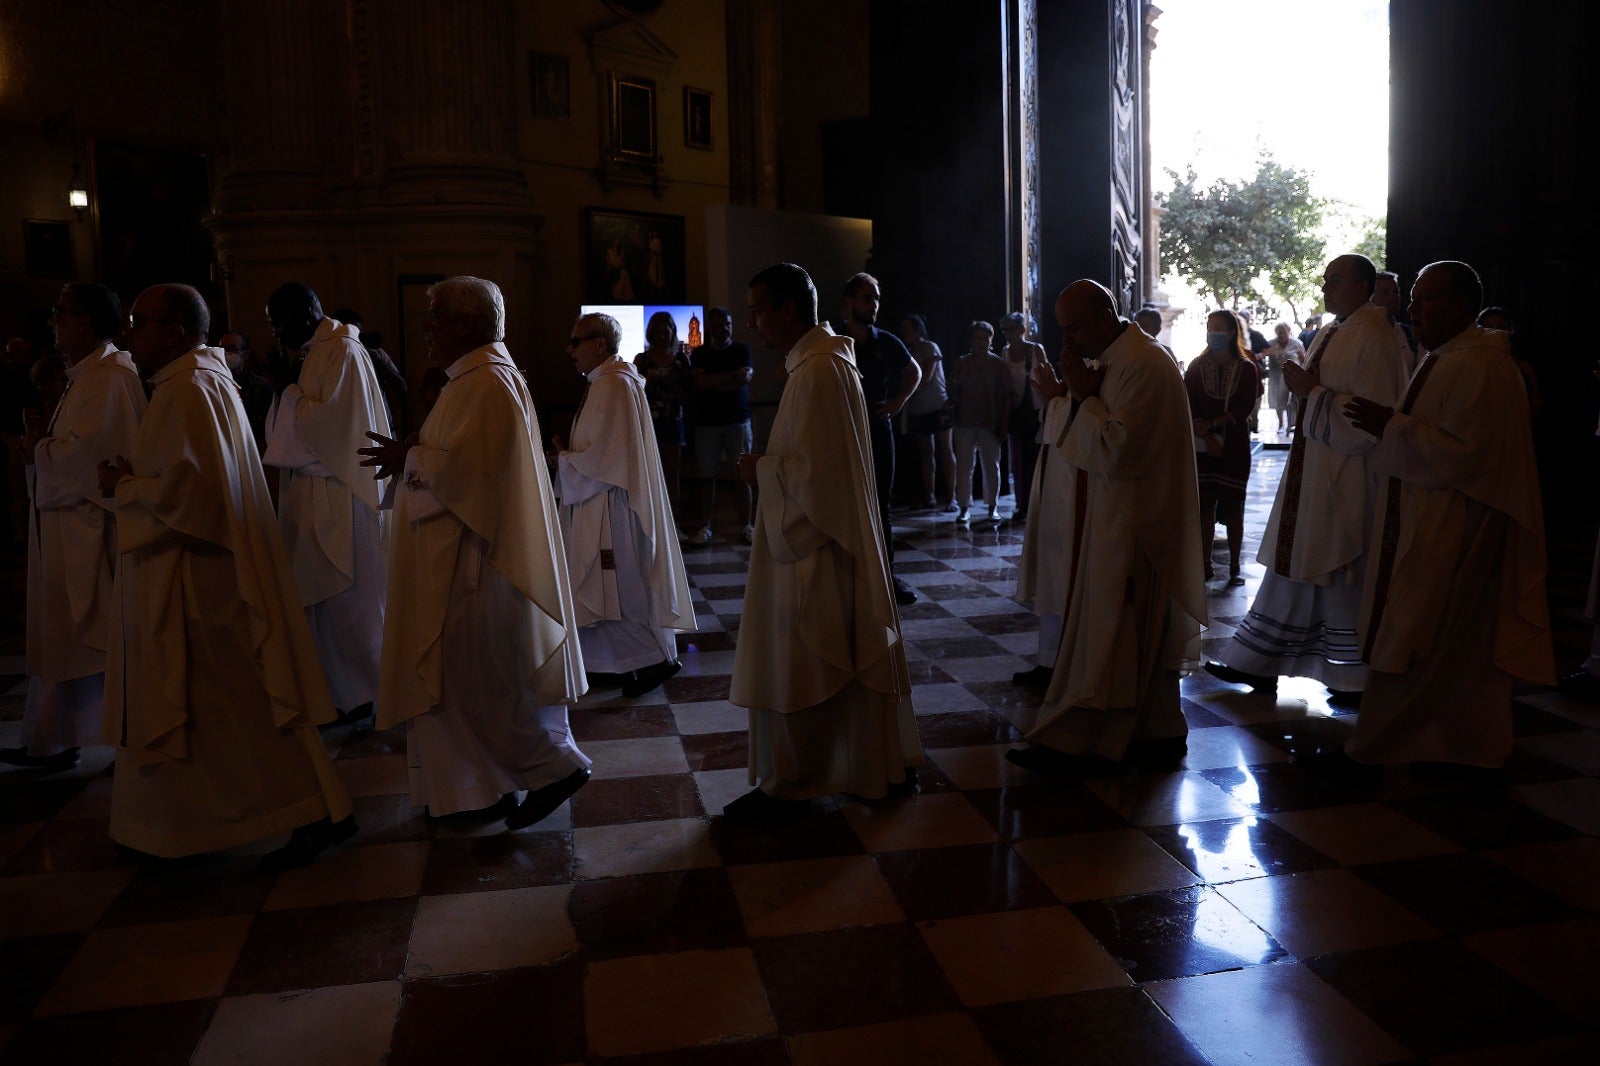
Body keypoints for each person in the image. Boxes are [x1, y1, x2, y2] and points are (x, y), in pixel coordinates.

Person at [98, 284, 354, 868]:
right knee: (230, 709)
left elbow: (191, 496)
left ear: (173, 332)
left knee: (232, 705)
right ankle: (176, 825)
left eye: (139, 321)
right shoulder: (195, 380)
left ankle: (313, 810)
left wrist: (124, 486)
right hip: (196, 570)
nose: (129, 332)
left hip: (196, 576)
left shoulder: (188, 389)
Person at [361, 276, 591, 829]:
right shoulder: (471, 379)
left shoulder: (487, 381)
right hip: (456, 553)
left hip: (474, 559)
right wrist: (415, 455)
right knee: (464, 680)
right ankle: (480, 788)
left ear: (466, 324)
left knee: (474, 681)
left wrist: (411, 456)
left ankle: (553, 768)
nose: (425, 328)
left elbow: (475, 472)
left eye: (434, 316)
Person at [725, 262, 921, 817]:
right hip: (826, 541)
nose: (753, 323)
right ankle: (856, 766)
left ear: (789, 309)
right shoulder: (823, 363)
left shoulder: (816, 372)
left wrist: (759, 470)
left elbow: (815, 479)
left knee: (809, 659)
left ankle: (797, 781)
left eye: (758, 310)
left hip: (815, 550)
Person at [1339, 261, 1553, 768]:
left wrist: (1390, 425)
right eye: (1413, 298)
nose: (1412, 309)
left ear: (1462, 304)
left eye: (1425, 299)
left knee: (1420, 634)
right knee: (1449, 645)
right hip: (1436, 515)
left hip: (1456, 525)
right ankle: (1461, 749)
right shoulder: (1453, 356)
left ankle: (1377, 751)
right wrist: (1392, 426)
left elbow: (1467, 453)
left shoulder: (1478, 363)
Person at [1008, 280, 1205, 773]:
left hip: (1135, 527)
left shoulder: (1145, 363)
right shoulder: (1116, 357)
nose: (1067, 340)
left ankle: (1097, 739)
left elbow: (1120, 450)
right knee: (1117, 633)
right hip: (1113, 519)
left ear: (1102, 315)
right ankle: (1151, 730)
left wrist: (1081, 398)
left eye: (1074, 328)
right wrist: (1078, 398)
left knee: (1119, 630)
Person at [1204, 254, 1409, 700]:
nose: (1325, 288)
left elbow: (1369, 420)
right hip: (1318, 467)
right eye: (1326, 279)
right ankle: (1258, 661)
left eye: (1336, 281)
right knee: (1294, 566)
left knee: (1337, 568)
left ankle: (1353, 676)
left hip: (1348, 476)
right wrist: (1311, 393)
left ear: (1364, 287)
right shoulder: (1339, 329)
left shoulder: (1372, 335)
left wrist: (1312, 394)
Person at [0, 285, 146, 773]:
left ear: (85, 320)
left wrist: (39, 448)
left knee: (82, 634)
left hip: (88, 528)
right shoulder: (89, 375)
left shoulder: (110, 377)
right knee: (62, 636)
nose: (53, 323)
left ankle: (66, 738)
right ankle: (50, 736)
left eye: (60, 314)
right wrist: (43, 446)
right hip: (67, 525)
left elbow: (93, 455)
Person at [263, 284, 392, 726]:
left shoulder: (342, 352)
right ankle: (342, 696)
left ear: (303, 315)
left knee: (351, 607)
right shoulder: (317, 351)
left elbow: (337, 429)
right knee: (324, 608)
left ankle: (370, 697)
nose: (276, 333)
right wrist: (289, 391)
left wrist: (289, 390)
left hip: (342, 497)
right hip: (315, 495)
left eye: (277, 323)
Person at [557, 312, 696, 698]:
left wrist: (563, 461)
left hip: (611, 504)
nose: (570, 350)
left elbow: (606, 457)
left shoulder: (614, 384)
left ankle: (653, 661)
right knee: (606, 588)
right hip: (600, 498)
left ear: (600, 344)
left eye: (576, 341)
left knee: (618, 588)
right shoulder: (610, 381)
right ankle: (608, 665)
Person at [838, 273, 921, 606]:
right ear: (850, 301)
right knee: (842, 505)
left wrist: (898, 402)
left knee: (881, 507)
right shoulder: (833, 339)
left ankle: (886, 577)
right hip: (841, 434)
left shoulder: (885, 341)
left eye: (876, 298)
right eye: (866, 297)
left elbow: (913, 371)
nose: (873, 305)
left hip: (877, 430)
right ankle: (844, 580)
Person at [1186, 311, 1261, 585]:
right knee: (1204, 504)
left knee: (1233, 505)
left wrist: (1215, 425)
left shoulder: (1247, 368)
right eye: (1209, 328)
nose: (1212, 333)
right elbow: (1188, 401)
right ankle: (1205, 563)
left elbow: (1244, 407)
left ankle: (1234, 567)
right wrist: (1206, 434)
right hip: (1203, 445)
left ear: (1231, 332)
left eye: (1218, 328)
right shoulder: (1196, 367)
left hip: (1234, 446)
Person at [686, 306, 755, 545]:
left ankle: (747, 525)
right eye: (716, 324)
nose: (722, 328)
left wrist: (713, 382)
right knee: (707, 476)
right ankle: (705, 526)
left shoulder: (742, 350)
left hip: (738, 421)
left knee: (742, 476)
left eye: (726, 324)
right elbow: (701, 383)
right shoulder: (700, 354)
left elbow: (742, 380)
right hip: (707, 423)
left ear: (731, 325)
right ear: (709, 327)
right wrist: (729, 377)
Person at [634, 311, 693, 530]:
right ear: (651, 333)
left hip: (673, 422)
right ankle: (650, 525)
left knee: (671, 474)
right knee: (648, 474)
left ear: (672, 331)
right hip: (648, 422)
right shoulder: (642, 359)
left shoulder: (681, 359)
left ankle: (673, 525)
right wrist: (649, 379)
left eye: (665, 330)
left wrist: (669, 382)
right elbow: (632, 391)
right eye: (657, 331)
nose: (661, 335)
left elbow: (689, 391)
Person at [950, 321, 1010, 524]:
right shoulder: (961, 363)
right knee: (964, 466)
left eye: (986, 338)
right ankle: (964, 508)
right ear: (971, 340)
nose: (982, 342)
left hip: (990, 422)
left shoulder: (999, 364)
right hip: (964, 421)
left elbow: (1006, 396)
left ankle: (992, 507)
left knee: (992, 465)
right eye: (978, 338)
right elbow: (951, 394)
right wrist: (958, 381)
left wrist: (1003, 423)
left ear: (991, 339)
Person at [898, 313, 955, 510]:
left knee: (945, 450)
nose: (904, 332)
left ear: (917, 329)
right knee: (925, 452)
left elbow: (926, 377)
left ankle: (952, 497)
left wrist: (906, 387)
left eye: (907, 328)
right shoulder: (906, 351)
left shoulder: (930, 347)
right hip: (917, 408)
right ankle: (930, 496)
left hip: (938, 406)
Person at [999, 311, 1048, 521]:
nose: (1008, 334)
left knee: (1036, 460)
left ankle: (1038, 505)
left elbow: (1047, 376)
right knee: (1019, 460)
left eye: (1011, 329)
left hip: (1037, 411)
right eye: (1005, 330)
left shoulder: (1035, 350)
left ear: (1022, 330)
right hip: (1018, 411)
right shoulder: (1005, 353)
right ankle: (1022, 505)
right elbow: (1005, 385)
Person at [1477, 306, 1540, 416]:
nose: (1495, 332)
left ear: (1510, 331)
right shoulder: (1473, 366)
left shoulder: (1524, 368)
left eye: (1501, 327)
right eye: (1488, 327)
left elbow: (1535, 406)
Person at [218, 331, 274, 452]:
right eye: (222, 349)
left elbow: (270, 426)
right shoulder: (214, 384)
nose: (226, 354)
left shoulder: (260, 386)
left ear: (245, 354)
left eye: (232, 349)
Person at [1263, 322, 1306, 435]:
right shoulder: (1270, 343)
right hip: (1276, 375)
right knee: (1278, 400)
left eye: (1284, 332)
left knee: (1292, 400)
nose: (1281, 334)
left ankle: (1292, 424)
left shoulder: (1296, 343)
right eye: (1279, 332)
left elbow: (1303, 359)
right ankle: (1281, 424)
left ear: (1289, 332)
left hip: (1292, 376)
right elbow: (1263, 355)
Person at [1373, 271, 1420, 374]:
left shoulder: (1409, 334)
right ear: (1371, 298)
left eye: (1396, 292)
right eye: (1385, 293)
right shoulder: (1363, 334)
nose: (1393, 298)